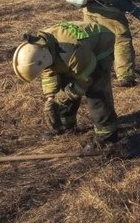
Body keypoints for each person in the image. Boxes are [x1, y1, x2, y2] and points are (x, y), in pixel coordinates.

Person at [12, 21, 120, 150]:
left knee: (96, 90)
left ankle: (107, 136)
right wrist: (51, 98)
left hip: (102, 43)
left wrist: (64, 97)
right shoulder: (41, 47)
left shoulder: (71, 52)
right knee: (63, 83)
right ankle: (66, 125)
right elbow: (48, 71)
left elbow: (85, 81)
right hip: (75, 52)